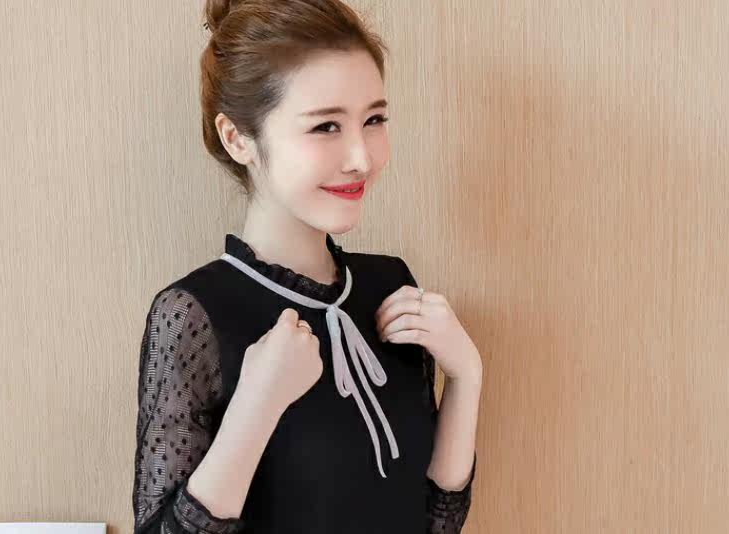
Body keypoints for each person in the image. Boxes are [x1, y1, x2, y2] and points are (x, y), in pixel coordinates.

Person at [131, 1, 483, 532]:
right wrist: (255, 409)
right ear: (238, 138)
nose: (361, 158)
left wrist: (466, 376)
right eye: (325, 127)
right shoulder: (195, 314)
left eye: (374, 120)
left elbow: (435, 519)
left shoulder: (392, 287)